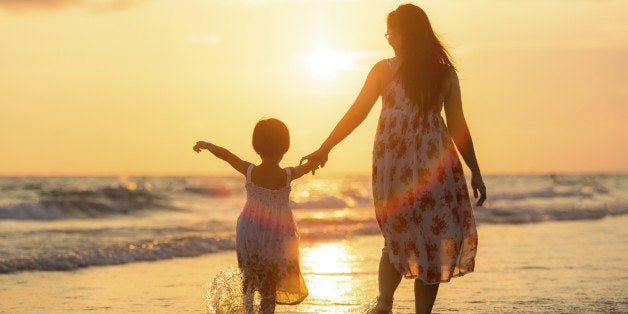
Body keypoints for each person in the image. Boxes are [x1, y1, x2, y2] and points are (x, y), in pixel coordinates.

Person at [300, 4, 486, 314]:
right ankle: (393, 306)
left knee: (401, 236)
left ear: (405, 34)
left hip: (400, 164)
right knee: (425, 239)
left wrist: (326, 147)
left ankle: (385, 304)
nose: (388, 39)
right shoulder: (436, 72)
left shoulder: (393, 70)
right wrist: (325, 147)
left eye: (391, 32)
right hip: (428, 165)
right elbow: (456, 127)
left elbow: (358, 112)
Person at [194, 118, 316, 313]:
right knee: (270, 284)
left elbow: (227, 155)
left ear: (256, 146)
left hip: (249, 230)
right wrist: (318, 159)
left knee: (248, 278)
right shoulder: (287, 175)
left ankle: (248, 309)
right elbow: (307, 167)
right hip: (278, 235)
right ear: (285, 147)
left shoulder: (250, 170)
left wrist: (207, 145)